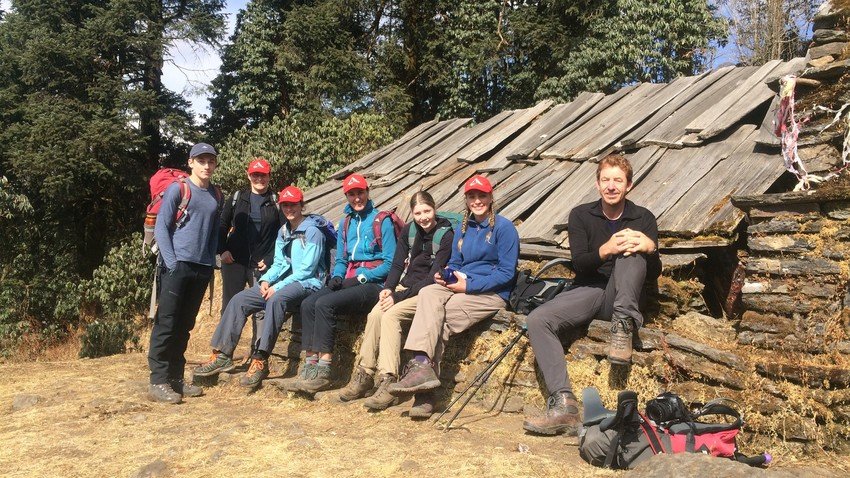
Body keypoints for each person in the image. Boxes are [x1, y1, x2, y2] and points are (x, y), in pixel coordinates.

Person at [522, 153, 661, 436]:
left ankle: (622, 328)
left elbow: (654, 272)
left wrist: (650, 247)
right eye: (606, 180)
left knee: (632, 252)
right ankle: (564, 406)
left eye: (618, 181)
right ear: (597, 184)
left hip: (625, 295)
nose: (611, 186)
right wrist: (606, 249)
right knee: (538, 319)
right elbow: (579, 264)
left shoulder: (643, 217)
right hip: (589, 289)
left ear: (629, 186)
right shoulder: (581, 215)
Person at [387, 175, 519, 418]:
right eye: (472, 196)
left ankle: (425, 393)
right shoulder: (463, 227)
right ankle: (421, 367)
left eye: (482, 196)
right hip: (460, 283)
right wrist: (446, 275)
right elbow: (457, 261)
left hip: (490, 292)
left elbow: (506, 273)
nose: (477, 201)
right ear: (466, 199)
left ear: (491, 198)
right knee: (428, 291)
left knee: (440, 318)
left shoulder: (504, 228)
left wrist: (467, 286)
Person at [193, 186, 332, 389]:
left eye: (293, 204)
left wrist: (278, 286)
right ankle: (223, 354)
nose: (288, 208)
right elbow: (280, 263)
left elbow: (307, 271)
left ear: (302, 205)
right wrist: (267, 280)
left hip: (308, 284)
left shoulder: (312, 232)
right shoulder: (284, 231)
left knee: (276, 299)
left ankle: (260, 358)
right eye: (285, 205)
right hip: (285, 282)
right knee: (239, 300)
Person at [338, 191, 455, 409]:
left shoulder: (446, 235)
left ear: (434, 208)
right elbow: (398, 265)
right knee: (375, 314)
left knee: (391, 316)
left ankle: (388, 379)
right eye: (418, 213)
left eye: (427, 211)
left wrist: (397, 297)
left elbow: (431, 278)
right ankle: (365, 373)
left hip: (426, 291)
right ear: (412, 213)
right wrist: (389, 288)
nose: (423, 217)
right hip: (405, 287)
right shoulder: (410, 230)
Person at [289, 174, 397, 394]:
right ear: (346, 196)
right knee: (308, 303)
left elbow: (390, 262)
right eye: (352, 194)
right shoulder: (346, 223)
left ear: (368, 192)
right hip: (349, 279)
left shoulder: (381, 220)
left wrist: (362, 277)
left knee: (325, 304)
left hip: (374, 283)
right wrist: (338, 276)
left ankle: (325, 368)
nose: (357, 198)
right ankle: (310, 363)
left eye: (360, 193)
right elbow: (341, 259)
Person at [148, 142, 222, 404]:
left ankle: (176, 379)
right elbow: (162, 228)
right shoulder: (178, 189)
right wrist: (171, 262)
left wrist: (211, 261)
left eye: (210, 161)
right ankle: (158, 381)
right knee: (166, 324)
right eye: (201, 160)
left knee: (184, 326)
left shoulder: (216, 194)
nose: (206, 165)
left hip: (201, 268)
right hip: (176, 265)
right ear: (190, 162)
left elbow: (214, 231)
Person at [217, 157, 282, 354]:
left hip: (262, 265)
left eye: (263, 175)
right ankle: (223, 353)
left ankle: (258, 353)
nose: (259, 178)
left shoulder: (276, 202)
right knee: (230, 306)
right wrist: (222, 250)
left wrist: (270, 258)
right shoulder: (237, 197)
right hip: (234, 260)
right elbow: (221, 224)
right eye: (255, 174)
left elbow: (282, 235)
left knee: (261, 309)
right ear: (248, 175)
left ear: (269, 176)